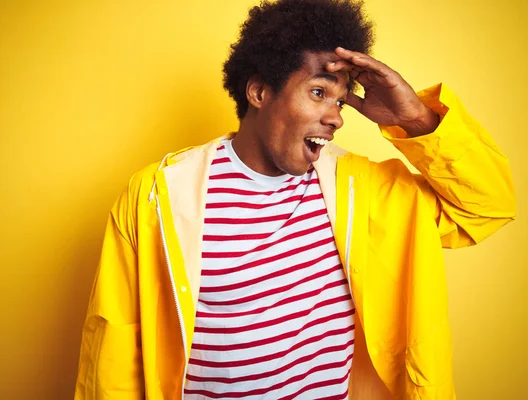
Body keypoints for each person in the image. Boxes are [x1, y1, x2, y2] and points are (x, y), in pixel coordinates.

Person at [74, 0, 516, 399]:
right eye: (319, 92)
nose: (336, 118)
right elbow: (113, 356)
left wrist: (416, 119)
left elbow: (487, 206)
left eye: (341, 101)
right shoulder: (156, 197)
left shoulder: (365, 191)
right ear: (260, 93)